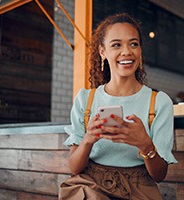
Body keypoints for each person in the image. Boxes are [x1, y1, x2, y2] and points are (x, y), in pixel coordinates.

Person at [59, 13, 177, 200]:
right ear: (102, 52)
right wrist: (88, 139)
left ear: (140, 51)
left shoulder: (159, 102)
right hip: (91, 186)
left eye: (133, 44)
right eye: (116, 45)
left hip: (140, 189)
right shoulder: (85, 100)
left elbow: (159, 175)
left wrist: (145, 144)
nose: (126, 52)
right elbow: (73, 168)